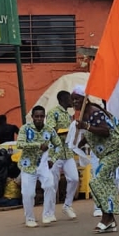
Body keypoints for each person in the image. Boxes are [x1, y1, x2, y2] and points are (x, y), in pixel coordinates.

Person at [73, 87, 119, 234]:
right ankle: (110, 219)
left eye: (77, 98)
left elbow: (105, 131)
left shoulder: (94, 112)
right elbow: (92, 132)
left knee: (97, 181)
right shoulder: (85, 113)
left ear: (85, 99)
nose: (75, 102)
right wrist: (82, 140)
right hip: (105, 153)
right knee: (105, 183)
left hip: (115, 150)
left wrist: (86, 127)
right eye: (73, 100)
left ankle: (107, 217)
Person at [16, 106, 63, 228]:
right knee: (28, 193)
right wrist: (38, 145)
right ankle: (29, 218)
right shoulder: (25, 129)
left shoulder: (49, 130)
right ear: (32, 117)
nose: (39, 119)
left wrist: (52, 159)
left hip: (43, 164)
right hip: (28, 165)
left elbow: (58, 145)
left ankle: (47, 214)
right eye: (36, 116)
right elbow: (20, 144)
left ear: (45, 117)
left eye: (41, 116)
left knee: (49, 185)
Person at [45, 90, 79, 220]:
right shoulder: (53, 113)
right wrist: (67, 132)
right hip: (55, 153)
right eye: (70, 99)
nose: (72, 102)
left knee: (74, 178)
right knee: (53, 183)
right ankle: (49, 212)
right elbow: (51, 130)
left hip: (68, 152)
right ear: (63, 100)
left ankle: (67, 205)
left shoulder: (69, 115)